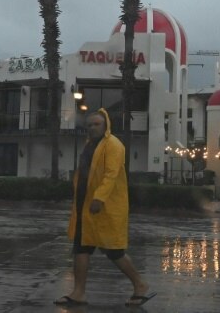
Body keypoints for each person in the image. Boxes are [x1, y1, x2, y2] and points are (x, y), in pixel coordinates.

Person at [54, 108, 155, 308]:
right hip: (85, 207)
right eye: (89, 125)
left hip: (105, 208)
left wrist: (99, 198)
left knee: (114, 251)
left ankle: (140, 285)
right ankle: (78, 293)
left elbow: (111, 174)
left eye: (96, 124)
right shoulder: (90, 145)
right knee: (81, 248)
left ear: (106, 125)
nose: (92, 128)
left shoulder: (113, 145)